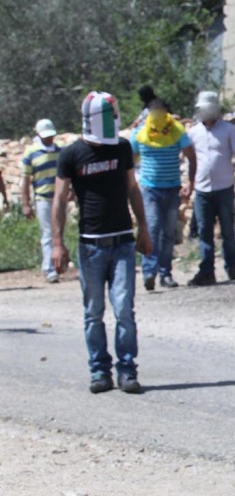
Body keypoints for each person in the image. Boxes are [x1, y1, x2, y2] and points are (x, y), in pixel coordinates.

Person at [52, 91, 152, 394]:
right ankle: (99, 371)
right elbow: (58, 199)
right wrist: (57, 243)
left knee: (124, 309)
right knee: (93, 311)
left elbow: (132, 189)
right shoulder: (71, 155)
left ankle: (127, 370)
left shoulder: (121, 148)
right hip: (90, 245)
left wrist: (143, 228)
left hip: (122, 241)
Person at [130, 97, 196, 291]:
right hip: (149, 189)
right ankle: (149, 271)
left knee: (168, 233)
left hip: (172, 188)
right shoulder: (139, 133)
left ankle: (165, 273)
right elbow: (130, 160)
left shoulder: (176, 131)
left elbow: (191, 156)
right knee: (151, 229)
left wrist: (190, 182)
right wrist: (134, 180)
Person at [186, 91, 235, 286]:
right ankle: (207, 271)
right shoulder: (194, 132)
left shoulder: (228, 130)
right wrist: (190, 183)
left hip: (224, 188)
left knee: (228, 230)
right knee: (204, 231)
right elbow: (191, 160)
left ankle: (232, 268)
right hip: (202, 190)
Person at [20, 119, 62, 283]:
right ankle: (49, 268)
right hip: (43, 198)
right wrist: (26, 203)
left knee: (58, 232)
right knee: (47, 234)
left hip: (59, 198)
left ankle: (58, 264)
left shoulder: (60, 151)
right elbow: (25, 180)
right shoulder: (31, 153)